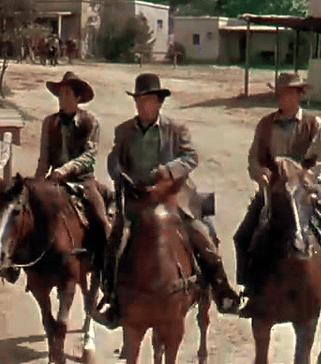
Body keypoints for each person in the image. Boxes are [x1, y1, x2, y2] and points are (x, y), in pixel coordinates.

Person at [94, 73, 241, 328]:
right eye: (140, 100)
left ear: (159, 103)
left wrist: (168, 171)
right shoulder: (124, 131)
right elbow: (114, 159)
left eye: (149, 100)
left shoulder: (176, 129)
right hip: (137, 198)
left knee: (203, 232)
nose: (144, 105)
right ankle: (111, 298)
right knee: (115, 239)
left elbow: (191, 157)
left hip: (173, 196)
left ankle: (221, 290)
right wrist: (119, 173)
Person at [234, 72, 321, 320]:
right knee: (243, 235)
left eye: (291, 93)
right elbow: (254, 158)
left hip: (308, 187)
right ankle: (249, 290)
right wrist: (260, 174)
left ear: (300, 95)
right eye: (282, 93)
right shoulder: (265, 124)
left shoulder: (314, 124)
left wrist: (301, 179)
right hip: (274, 189)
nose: (285, 98)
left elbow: (317, 161)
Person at [35, 71, 112, 259]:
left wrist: (65, 170)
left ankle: (106, 264)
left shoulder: (90, 122)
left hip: (82, 180)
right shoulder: (49, 123)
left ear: (78, 98)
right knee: (29, 213)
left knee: (101, 220)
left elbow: (89, 156)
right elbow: (44, 158)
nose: (62, 98)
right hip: (54, 181)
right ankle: (21, 262)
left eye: (68, 94)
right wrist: (37, 184)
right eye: (60, 94)